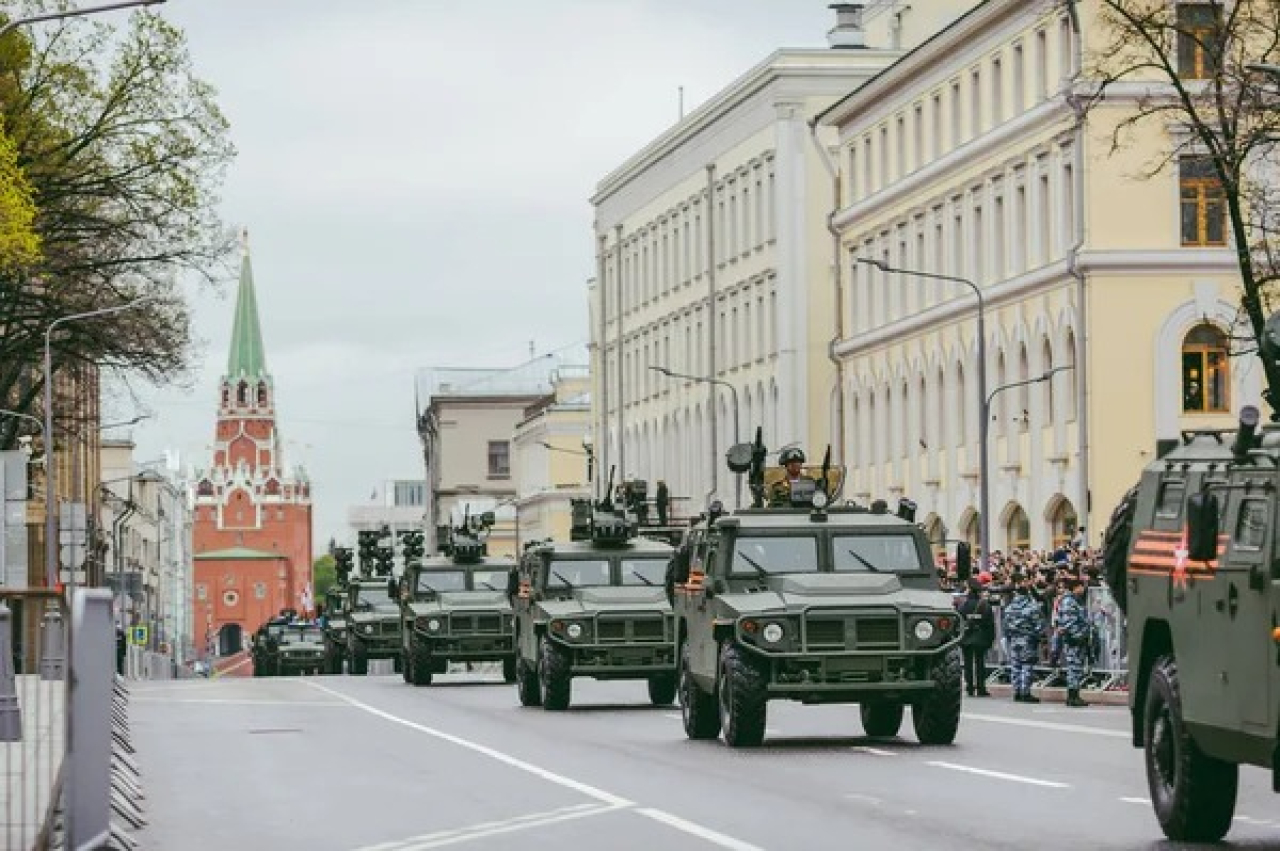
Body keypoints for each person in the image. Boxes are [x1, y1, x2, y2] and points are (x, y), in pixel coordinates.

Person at [1002, 573, 1046, 704]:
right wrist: (1039, 637)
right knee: (1027, 666)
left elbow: (1005, 625)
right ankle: (1025, 692)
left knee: (1015, 666)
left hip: (1014, 639)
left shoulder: (1010, 607)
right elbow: (1039, 625)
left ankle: (1017, 692)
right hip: (1028, 639)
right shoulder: (1031, 607)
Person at [1056, 577, 1091, 707]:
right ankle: (1072, 696)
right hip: (1073, 640)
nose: (1083, 589)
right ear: (1076, 587)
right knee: (1074, 668)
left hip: (1077, 639)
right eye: (1081, 586)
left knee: (1076, 669)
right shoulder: (1069, 602)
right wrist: (1076, 636)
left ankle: (1074, 694)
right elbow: (1068, 622)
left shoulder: (1074, 601)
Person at [957, 578, 994, 697]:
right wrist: (990, 639)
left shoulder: (963, 605)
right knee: (980, 663)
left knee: (967, 663)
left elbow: (959, 622)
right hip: (981, 637)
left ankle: (970, 687)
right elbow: (990, 624)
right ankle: (981, 687)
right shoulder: (985, 605)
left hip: (967, 638)